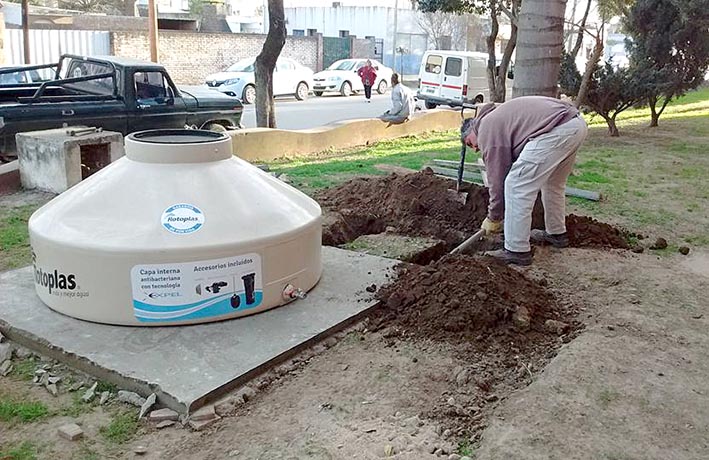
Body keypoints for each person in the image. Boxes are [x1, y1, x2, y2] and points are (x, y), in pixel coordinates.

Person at [463, 96, 588, 266]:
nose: (475, 148)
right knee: (553, 184)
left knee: (516, 186)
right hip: (574, 124)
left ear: (471, 129)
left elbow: (498, 182)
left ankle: (516, 250)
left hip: (558, 128)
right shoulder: (496, 119)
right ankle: (556, 234)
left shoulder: (486, 129)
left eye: (470, 143)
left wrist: (494, 218)